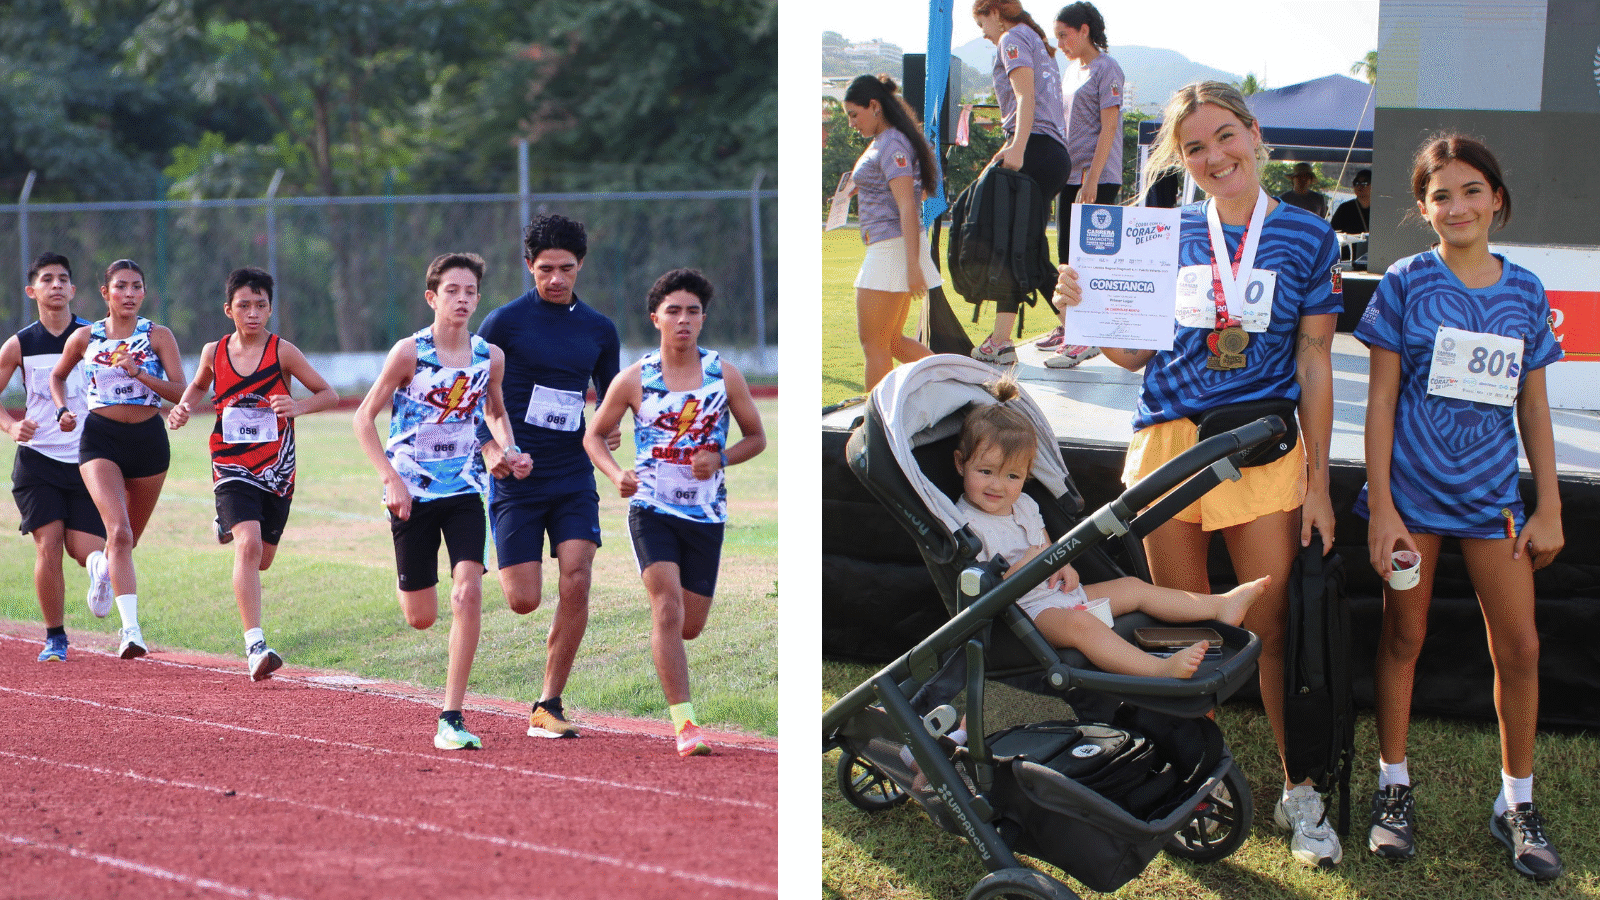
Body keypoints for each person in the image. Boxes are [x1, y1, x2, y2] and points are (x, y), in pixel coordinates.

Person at [1053, 81, 1344, 867]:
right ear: (1181, 160)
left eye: (1224, 136)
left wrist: (1319, 482)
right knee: (1181, 634)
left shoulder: (1308, 236)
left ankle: (1299, 787)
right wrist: (1084, 307)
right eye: (1194, 148)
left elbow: (1315, 362)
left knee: (1266, 631)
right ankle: (1201, 782)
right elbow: (1132, 354)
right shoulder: (1163, 232)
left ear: (1253, 133)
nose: (1214, 157)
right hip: (1169, 447)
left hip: (1259, 450)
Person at [1356, 135, 1564, 880]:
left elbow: (1534, 407)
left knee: (1522, 648)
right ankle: (1393, 788)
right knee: (1402, 638)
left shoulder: (1527, 291)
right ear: (1423, 208)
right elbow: (1381, 402)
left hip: (1492, 503)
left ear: (1496, 199)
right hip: (1411, 502)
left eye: (1472, 190)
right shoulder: (1404, 282)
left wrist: (1549, 504)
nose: (1458, 206)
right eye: (1441, 195)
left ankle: (1517, 803)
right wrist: (1383, 508)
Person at [953, 374, 1269, 677]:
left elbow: (1047, 547)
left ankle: (1219, 605)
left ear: (1026, 475)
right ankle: (1158, 669)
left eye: (1012, 476)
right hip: (1026, 613)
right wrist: (1027, 564)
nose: (997, 485)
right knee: (1082, 626)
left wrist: (1062, 566)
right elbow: (981, 592)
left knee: (1133, 588)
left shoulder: (1024, 504)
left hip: (1057, 594)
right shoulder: (964, 523)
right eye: (986, 472)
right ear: (960, 463)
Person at [583, 268, 767, 757]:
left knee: (690, 625)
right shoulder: (634, 379)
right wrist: (616, 474)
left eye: (693, 311)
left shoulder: (724, 375)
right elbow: (593, 435)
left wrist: (720, 457)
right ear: (655, 318)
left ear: (703, 319)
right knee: (666, 606)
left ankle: (672, 661)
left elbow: (756, 437)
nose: (683, 319)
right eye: (674, 311)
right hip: (651, 507)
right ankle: (685, 725)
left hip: (706, 513)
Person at [353, 252, 530, 750]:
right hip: (411, 492)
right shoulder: (409, 353)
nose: (462, 299)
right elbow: (363, 418)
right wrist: (390, 479)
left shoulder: (489, 356)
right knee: (422, 616)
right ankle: (410, 577)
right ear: (432, 298)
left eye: (470, 291)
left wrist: (510, 449)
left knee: (467, 593)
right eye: (452, 291)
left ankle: (451, 716)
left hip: (465, 489)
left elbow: (495, 411)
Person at [476, 214, 621, 740]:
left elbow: (611, 395)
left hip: (572, 473)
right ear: (528, 266)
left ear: (581, 265)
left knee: (578, 575)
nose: (556, 279)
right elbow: (469, 394)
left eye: (566, 268)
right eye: (545, 270)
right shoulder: (503, 323)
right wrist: (491, 448)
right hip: (517, 474)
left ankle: (548, 702)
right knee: (524, 600)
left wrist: (609, 427)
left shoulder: (600, 329)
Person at [167, 266, 339, 680]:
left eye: (261, 305)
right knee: (247, 545)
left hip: (277, 467)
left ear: (270, 309)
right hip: (230, 462)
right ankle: (255, 646)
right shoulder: (214, 352)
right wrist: (184, 406)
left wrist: (297, 406)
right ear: (229, 310)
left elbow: (328, 394)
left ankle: (225, 523)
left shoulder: (283, 352)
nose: (253, 313)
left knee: (262, 558)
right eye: (244, 305)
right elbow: (199, 385)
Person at [50, 259, 187, 660]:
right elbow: (57, 376)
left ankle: (103, 572)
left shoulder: (157, 336)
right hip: (100, 440)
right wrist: (62, 410)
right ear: (105, 293)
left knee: (128, 541)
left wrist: (140, 373)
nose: (129, 294)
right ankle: (131, 632)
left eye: (136, 286)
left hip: (148, 441)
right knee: (120, 533)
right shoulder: (85, 337)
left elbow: (181, 392)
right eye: (121, 286)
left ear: (144, 292)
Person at [0, 253, 110, 662]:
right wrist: (11, 427)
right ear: (32, 291)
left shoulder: (94, 337)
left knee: (85, 551)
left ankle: (100, 571)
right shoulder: (20, 344)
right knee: (49, 545)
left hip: (88, 460)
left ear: (73, 289)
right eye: (47, 279)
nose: (57, 285)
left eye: (64, 278)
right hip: (38, 461)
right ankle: (56, 637)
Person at [970, 0, 1072, 366]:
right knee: (1022, 248)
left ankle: (1077, 332)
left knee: (1019, 248)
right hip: (1050, 152)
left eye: (982, 23)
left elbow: (1025, 96)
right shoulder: (1034, 39)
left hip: (1035, 150)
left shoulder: (1011, 38)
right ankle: (1002, 339)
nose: (983, 33)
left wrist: (1017, 145)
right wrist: (1014, 144)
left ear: (995, 13)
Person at [1036, 0, 1123, 369]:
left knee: (1086, 260)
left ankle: (1086, 337)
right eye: (1056, 37)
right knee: (1065, 257)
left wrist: (1093, 179)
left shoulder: (1107, 68)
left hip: (1096, 177)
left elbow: (1109, 127)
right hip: (1068, 175)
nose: (1060, 44)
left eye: (1064, 35)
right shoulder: (1071, 70)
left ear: (1084, 30)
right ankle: (1069, 326)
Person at [842, 74, 939, 390]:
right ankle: (954, 385)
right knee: (892, 341)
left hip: (891, 248)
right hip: (892, 246)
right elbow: (908, 192)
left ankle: (877, 417)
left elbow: (908, 205)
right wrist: (863, 186)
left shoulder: (892, 142)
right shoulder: (890, 139)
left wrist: (912, 266)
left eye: (854, 115)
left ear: (874, 106)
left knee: (875, 345)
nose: (851, 123)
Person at [1331, 168, 1372, 234]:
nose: (1359, 186)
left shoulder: (1380, 209)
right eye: (1356, 183)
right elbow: (1333, 232)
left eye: (1364, 183)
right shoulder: (1344, 208)